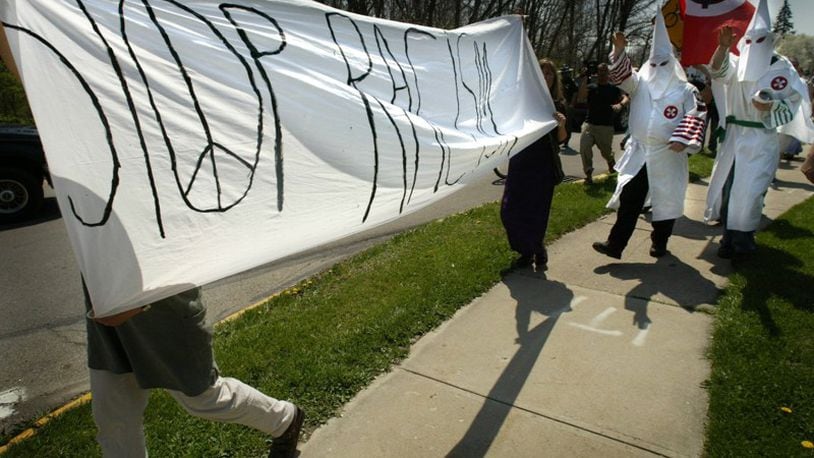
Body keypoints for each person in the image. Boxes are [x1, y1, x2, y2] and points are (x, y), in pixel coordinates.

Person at [0, 25, 304, 458]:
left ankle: (285, 419)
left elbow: (188, 227)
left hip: (158, 296)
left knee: (202, 397)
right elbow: (35, 76)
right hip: (106, 296)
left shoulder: (154, 137)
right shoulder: (75, 126)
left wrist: (134, 298)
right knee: (113, 412)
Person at [592, 12, 706, 260]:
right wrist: (619, 51)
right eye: (653, 64)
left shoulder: (686, 90)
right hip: (641, 153)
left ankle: (660, 242)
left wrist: (682, 138)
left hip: (667, 154)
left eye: (663, 65)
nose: (657, 70)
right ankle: (615, 244)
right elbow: (621, 77)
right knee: (630, 199)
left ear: (673, 65)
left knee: (665, 200)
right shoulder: (639, 83)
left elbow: (697, 112)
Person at [704, 0, 808, 260]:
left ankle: (744, 242)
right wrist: (722, 47)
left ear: (770, 40)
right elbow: (718, 72)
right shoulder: (737, 62)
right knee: (729, 191)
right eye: (748, 41)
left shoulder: (782, 69)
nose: (753, 47)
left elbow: (793, 101)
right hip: (735, 138)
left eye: (759, 41)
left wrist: (770, 106)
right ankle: (728, 240)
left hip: (760, 139)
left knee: (749, 193)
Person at [500, 58, 568, 271]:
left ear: (554, 79)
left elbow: (562, 140)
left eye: (549, 74)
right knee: (509, 211)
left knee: (536, 213)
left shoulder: (557, 106)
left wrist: (561, 124)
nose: (545, 77)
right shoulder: (523, 103)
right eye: (541, 73)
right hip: (520, 163)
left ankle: (534, 250)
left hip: (543, 166)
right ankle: (527, 248)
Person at [575, 62, 629, 184]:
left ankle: (610, 161)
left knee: (606, 152)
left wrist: (620, 105)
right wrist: (584, 77)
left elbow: (626, 97)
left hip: (605, 127)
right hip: (589, 124)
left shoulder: (613, 89)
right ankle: (588, 174)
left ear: (608, 73)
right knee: (584, 148)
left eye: (605, 71)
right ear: (597, 73)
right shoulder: (591, 87)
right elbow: (581, 97)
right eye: (600, 71)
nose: (602, 74)